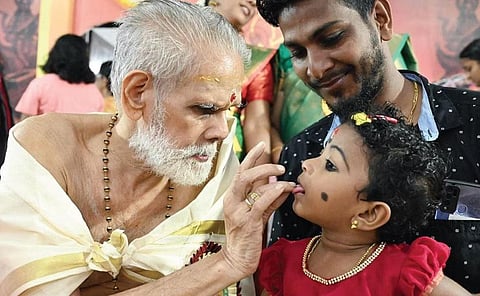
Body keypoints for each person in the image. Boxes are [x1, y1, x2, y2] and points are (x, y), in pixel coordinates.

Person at [0, 1, 295, 295]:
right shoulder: (46, 150)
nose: (221, 131)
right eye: (204, 109)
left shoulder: (216, 167)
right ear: (137, 93)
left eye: (230, 109)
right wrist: (225, 264)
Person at [257, 0, 480, 292]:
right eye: (298, 53)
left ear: (380, 19)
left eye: (332, 38)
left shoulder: (474, 123)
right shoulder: (302, 153)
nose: (316, 68)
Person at [256, 106, 472, 295]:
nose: (306, 163)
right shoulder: (283, 262)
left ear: (369, 214)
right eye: (321, 154)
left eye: (330, 164)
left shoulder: (405, 272)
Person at [202, 0, 278, 168]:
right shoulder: (174, 36)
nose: (252, 2)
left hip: (225, 156)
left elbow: (257, 123)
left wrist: (259, 185)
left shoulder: (256, 60)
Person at [15, 34, 104, 121]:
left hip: (45, 135)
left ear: (54, 55)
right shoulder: (94, 92)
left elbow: (24, 125)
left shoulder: (41, 84)